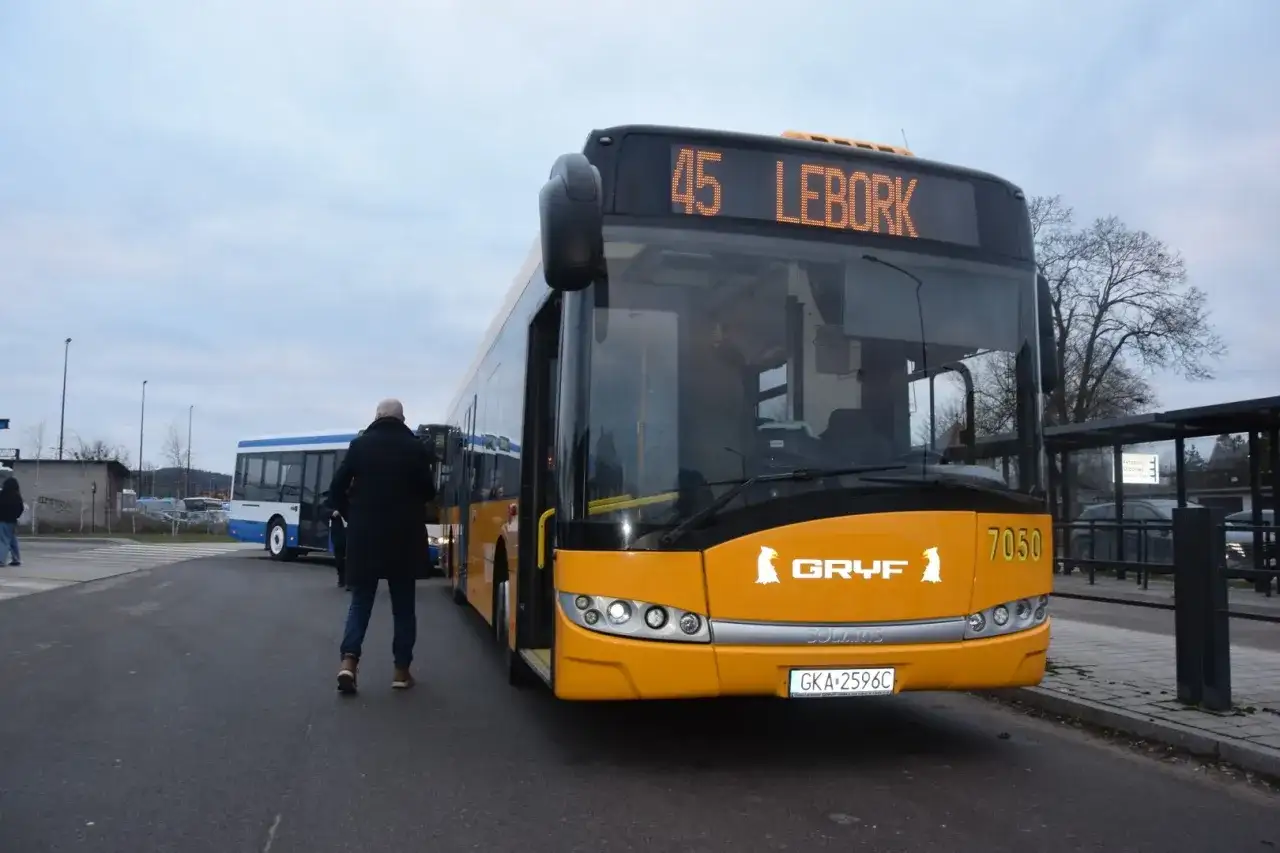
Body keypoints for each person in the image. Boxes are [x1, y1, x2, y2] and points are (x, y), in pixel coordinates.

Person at [328, 398, 436, 694]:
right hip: (404, 537)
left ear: (376, 417)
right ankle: (401, 671)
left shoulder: (360, 445)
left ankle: (349, 663)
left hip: (365, 537)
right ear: (402, 420)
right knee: (403, 607)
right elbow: (429, 491)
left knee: (361, 601)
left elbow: (335, 489)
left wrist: (352, 515)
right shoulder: (415, 448)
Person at [0, 477, 23, 567]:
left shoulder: (2, 495)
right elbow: (21, 508)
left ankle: (1, 560)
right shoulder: (17, 496)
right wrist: (16, 516)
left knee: (3, 540)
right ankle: (16, 558)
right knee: (12, 540)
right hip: (12, 521)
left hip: (2, 520)